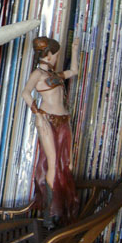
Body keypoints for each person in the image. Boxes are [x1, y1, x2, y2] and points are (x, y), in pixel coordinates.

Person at [21, 36, 80, 229]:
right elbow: (25, 93)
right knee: (53, 163)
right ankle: (50, 214)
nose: (56, 58)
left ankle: (60, 210)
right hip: (47, 120)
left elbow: (74, 71)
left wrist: (75, 49)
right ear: (48, 55)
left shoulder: (55, 74)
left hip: (63, 120)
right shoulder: (37, 74)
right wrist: (37, 112)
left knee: (67, 164)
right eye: (55, 55)